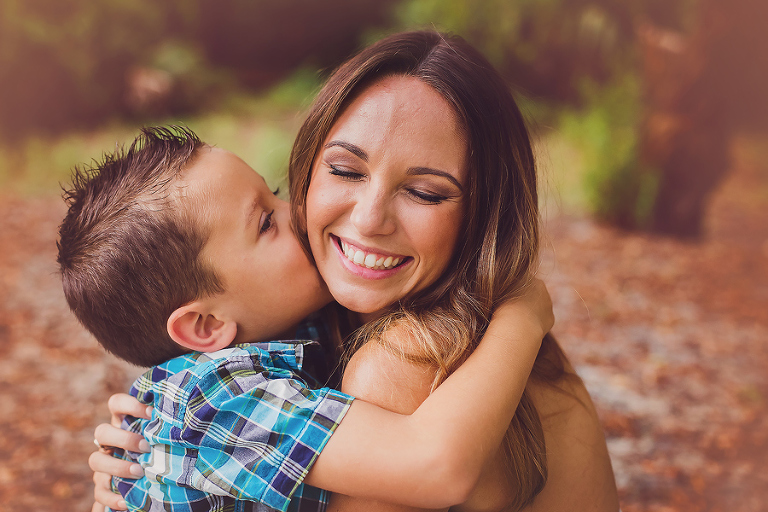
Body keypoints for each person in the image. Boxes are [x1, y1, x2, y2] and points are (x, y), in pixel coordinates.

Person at [94, 31, 620, 511]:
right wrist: (142, 471)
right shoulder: (308, 341)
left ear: (485, 213)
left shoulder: (398, 365)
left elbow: (436, 465)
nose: (368, 221)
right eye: (345, 170)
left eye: (425, 192)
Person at [60, 126, 553, 511]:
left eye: (274, 192)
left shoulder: (286, 328)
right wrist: (523, 316)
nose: (297, 213)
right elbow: (436, 466)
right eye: (266, 222)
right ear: (207, 327)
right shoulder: (215, 400)